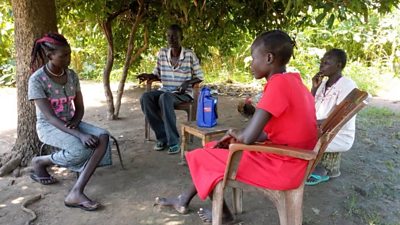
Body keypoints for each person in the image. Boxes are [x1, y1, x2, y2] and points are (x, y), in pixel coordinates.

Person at [153, 30, 318, 224]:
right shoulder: (294, 81)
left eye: (253, 58)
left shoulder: (278, 85)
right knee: (213, 149)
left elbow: (248, 138)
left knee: (203, 155)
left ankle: (219, 213)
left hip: (283, 165)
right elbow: (276, 130)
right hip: (293, 159)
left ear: (269, 58)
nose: (250, 64)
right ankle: (185, 200)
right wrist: (237, 137)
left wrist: (234, 133)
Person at [28, 33, 112, 211]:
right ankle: (40, 161)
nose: (68, 58)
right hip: (49, 127)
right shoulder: (37, 80)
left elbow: (79, 107)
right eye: (63, 55)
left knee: (103, 136)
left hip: (70, 123)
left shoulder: (72, 76)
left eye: (69, 54)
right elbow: (50, 117)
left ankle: (76, 192)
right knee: (79, 148)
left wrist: (75, 122)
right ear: (50, 56)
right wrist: (79, 134)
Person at [138, 24, 204, 155]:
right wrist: (148, 76)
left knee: (165, 98)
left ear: (181, 38)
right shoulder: (162, 53)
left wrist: (187, 82)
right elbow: (156, 74)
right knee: (145, 98)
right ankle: (162, 137)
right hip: (166, 90)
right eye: (168, 36)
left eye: (175, 36)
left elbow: (200, 76)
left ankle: (173, 142)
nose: (171, 39)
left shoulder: (189, 54)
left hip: (183, 94)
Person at [306, 48, 358, 185]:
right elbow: (309, 108)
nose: (322, 65)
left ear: (339, 65)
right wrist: (314, 89)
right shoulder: (322, 84)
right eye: (321, 62)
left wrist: (312, 124)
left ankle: (319, 171)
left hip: (337, 134)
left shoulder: (347, 85)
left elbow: (341, 116)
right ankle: (309, 166)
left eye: (327, 63)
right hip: (320, 129)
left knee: (298, 136)